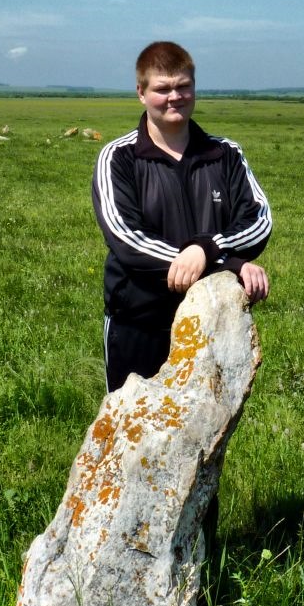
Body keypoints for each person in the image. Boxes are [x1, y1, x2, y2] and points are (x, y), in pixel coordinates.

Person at [92, 41, 271, 394]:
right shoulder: (118, 158)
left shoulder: (226, 155)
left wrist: (206, 248)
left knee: (205, 439)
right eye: (162, 88)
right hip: (138, 324)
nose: (174, 96)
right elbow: (127, 239)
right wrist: (228, 264)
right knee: (133, 438)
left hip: (211, 322)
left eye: (183, 86)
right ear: (141, 93)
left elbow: (258, 222)